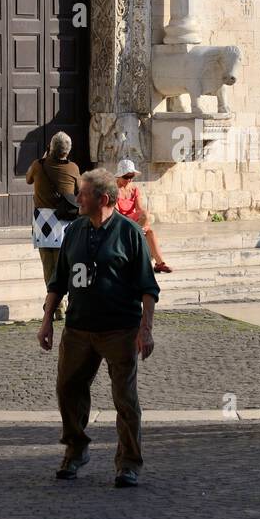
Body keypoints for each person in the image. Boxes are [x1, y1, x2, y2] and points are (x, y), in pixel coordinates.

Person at [39, 167, 159, 487]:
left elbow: (148, 287)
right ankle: (76, 449)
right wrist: (47, 320)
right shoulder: (75, 230)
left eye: (83, 193)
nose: (77, 198)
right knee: (68, 390)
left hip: (120, 330)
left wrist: (145, 330)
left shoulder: (130, 233)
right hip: (78, 330)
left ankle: (129, 462)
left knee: (125, 399)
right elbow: (58, 280)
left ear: (103, 199)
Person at [26, 132, 81, 321]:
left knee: (48, 266)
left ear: (50, 148)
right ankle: (58, 303)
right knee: (61, 266)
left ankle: (55, 304)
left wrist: (43, 159)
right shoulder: (73, 168)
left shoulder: (38, 165)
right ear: (67, 151)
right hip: (63, 221)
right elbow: (78, 190)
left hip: (43, 221)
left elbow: (28, 179)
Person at [114, 160, 172, 273]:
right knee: (144, 215)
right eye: (126, 176)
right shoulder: (113, 189)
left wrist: (144, 224)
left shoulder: (134, 189)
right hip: (120, 222)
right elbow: (116, 214)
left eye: (131, 176)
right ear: (120, 176)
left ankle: (159, 263)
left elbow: (139, 209)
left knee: (150, 232)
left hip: (133, 222)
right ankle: (138, 235)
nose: (129, 179)